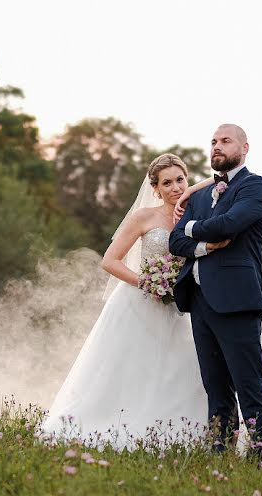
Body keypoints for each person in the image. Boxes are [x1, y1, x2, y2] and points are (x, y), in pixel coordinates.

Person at [41, 153, 222, 450]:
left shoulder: (195, 214)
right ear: (156, 188)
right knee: (132, 369)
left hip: (182, 305)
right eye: (167, 183)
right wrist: (148, 283)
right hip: (139, 302)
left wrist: (190, 193)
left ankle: (182, 434)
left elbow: (221, 179)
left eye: (181, 180)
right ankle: (116, 425)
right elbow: (110, 261)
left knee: (182, 370)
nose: (175, 187)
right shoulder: (143, 217)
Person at [169, 124, 262, 455]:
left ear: (244, 148)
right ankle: (220, 450)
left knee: (248, 382)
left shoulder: (255, 187)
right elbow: (176, 241)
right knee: (215, 385)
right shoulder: (200, 195)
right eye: (213, 141)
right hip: (200, 301)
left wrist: (189, 227)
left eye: (225, 141)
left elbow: (228, 225)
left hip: (237, 301)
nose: (217, 146)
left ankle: (261, 453)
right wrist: (202, 245)